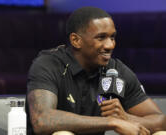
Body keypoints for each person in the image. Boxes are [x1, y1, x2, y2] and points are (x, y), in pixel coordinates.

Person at [26, 7, 166, 135]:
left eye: (112, 37)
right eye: (101, 37)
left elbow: (161, 121)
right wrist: (112, 122)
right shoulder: (48, 64)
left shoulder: (116, 70)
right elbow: (42, 120)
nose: (110, 45)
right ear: (76, 40)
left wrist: (125, 117)